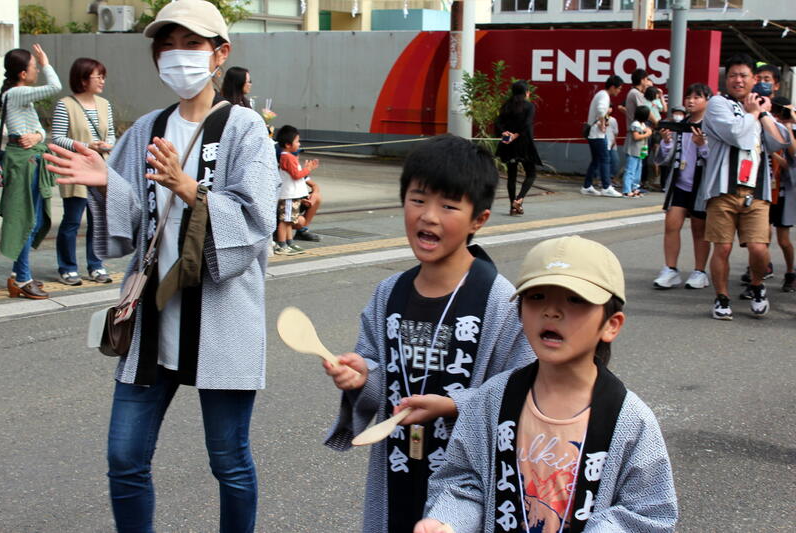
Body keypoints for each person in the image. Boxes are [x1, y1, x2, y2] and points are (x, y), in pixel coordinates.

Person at [43, 1, 279, 531]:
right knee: (124, 458)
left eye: (192, 44)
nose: (178, 56)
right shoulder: (148, 128)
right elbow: (133, 226)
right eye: (167, 45)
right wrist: (106, 181)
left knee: (229, 460)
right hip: (151, 315)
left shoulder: (244, 129)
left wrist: (189, 187)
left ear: (220, 53)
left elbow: (257, 219)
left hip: (221, 317)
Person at [323, 134, 534, 533]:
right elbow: (376, 370)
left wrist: (455, 405)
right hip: (397, 462)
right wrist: (362, 376)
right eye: (418, 199)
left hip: (466, 480)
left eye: (449, 206)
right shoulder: (388, 293)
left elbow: (522, 390)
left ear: (479, 219)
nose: (429, 216)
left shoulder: (500, 301)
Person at [415, 235, 678, 533]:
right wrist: (448, 521)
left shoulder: (630, 420)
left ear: (611, 324)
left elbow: (649, 514)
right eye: (537, 297)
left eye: (575, 299)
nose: (551, 311)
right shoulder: (491, 400)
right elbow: (464, 480)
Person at [697, 53, 790, 320]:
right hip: (723, 190)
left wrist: (765, 113)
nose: (738, 80)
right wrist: (753, 113)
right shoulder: (718, 104)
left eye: (744, 75)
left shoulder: (757, 107)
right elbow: (736, 134)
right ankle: (722, 297)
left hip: (757, 192)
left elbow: (779, 141)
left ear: (754, 79)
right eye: (733, 75)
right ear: (726, 79)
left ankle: (758, 286)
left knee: (759, 248)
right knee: (723, 247)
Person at [0, 44, 61, 300]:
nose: (37, 70)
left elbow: (38, 129)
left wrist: (38, 135)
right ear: (23, 74)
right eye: (34, 67)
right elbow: (55, 87)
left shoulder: (17, 96)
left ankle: (18, 274)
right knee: (28, 220)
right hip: (25, 164)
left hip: (29, 160)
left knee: (33, 219)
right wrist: (46, 63)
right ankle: (23, 278)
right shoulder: (17, 93)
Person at [51, 57, 115, 285]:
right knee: (72, 221)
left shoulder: (104, 104)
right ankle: (67, 267)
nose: (102, 81)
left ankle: (96, 265)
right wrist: (86, 146)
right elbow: (57, 138)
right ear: (83, 79)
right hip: (76, 169)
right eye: (98, 77)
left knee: (98, 221)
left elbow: (111, 134)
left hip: (99, 169)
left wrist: (107, 144)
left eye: (103, 76)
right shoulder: (65, 105)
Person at [653, 83, 713, 290]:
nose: (691, 101)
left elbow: (716, 160)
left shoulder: (712, 126)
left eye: (697, 97)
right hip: (679, 184)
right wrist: (666, 142)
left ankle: (700, 271)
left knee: (699, 229)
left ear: (707, 101)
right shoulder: (680, 125)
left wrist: (702, 145)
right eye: (688, 97)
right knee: (671, 224)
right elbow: (664, 159)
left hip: (701, 186)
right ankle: (670, 269)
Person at [495, 80, 542, 215]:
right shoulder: (529, 106)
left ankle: (513, 207)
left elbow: (498, 122)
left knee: (511, 176)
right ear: (526, 92)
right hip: (524, 144)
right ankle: (519, 199)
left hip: (508, 144)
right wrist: (515, 135)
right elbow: (527, 124)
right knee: (531, 174)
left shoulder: (506, 105)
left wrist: (504, 133)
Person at [766, 96, 796, 292]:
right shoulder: (767, 126)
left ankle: (790, 272)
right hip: (765, 190)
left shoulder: (790, 131)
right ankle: (761, 268)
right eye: (776, 111)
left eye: (782, 111)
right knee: (761, 236)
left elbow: (792, 159)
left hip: (783, 192)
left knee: (783, 240)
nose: (779, 115)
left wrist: (790, 124)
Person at [274, 124, 318, 255]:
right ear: (288, 144)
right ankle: (282, 244)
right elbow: (296, 175)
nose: (299, 144)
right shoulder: (287, 157)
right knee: (285, 221)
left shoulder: (288, 156)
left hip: (292, 195)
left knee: (289, 220)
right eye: (297, 141)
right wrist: (308, 169)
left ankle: (289, 242)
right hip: (289, 195)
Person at [582, 75, 623, 197]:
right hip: (597, 134)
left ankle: (587, 186)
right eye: (619, 88)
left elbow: (600, 111)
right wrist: (602, 123)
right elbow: (600, 110)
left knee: (596, 160)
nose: (619, 91)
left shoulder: (601, 94)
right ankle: (606, 187)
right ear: (612, 87)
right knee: (605, 159)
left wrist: (603, 122)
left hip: (594, 133)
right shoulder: (604, 96)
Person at [623, 105, 652, 198]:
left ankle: (634, 188)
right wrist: (648, 133)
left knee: (638, 171)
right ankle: (627, 190)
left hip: (640, 151)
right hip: (633, 151)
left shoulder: (642, 124)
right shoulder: (635, 124)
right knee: (630, 171)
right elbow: (636, 137)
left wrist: (647, 131)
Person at [606, 104, 621, 187]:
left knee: (615, 161)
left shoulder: (613, 120)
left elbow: (616, 133)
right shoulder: (599, 119)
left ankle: (612, 179)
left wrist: (614, 142)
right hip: (603, 144)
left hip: (612, 145)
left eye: (610, 107)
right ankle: (603, 180)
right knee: (604, 163)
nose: (609, 109)